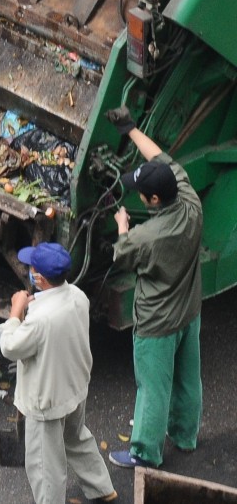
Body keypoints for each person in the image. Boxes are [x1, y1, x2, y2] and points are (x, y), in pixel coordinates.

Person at [105, 106, 203, 469]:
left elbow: (120, 253)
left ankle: (144, 453)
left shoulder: (145, 238)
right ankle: (185, 436)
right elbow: (159, 157)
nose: (139, 196)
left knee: (153, 389)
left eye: (140, 193)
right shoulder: (190, 200)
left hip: (156, 325)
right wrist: (131, 128)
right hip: (188, 312)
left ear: (154, 201)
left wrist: (121, 223)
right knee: (188, 380)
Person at [0, 242, 117, 504]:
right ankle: (102, 488)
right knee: (76, 438)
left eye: (31, 268)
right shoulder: (78, 295)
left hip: (47, 401)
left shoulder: (40, 320)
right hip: (75, 386)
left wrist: (16, 311)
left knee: (44, 465)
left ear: (38, 277)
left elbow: (10, 346)